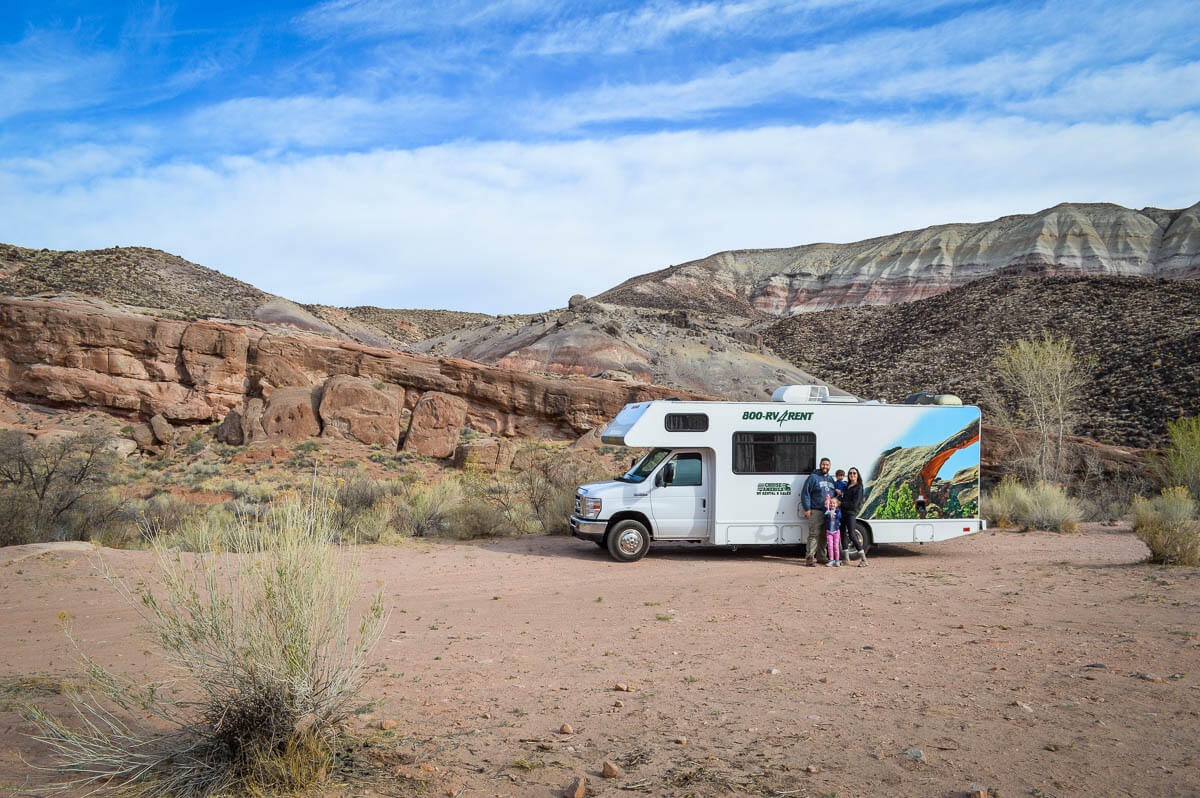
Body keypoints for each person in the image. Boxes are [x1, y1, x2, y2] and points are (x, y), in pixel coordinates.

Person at [801, 457, 836, 566]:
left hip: (828, 512)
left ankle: (821, 557)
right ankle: (810, 557)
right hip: (816, 511)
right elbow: (805, 493)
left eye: (827, 465)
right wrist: (807, 508)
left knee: (824, 535)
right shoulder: (813, 477)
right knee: (814, 534)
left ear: (830, 466)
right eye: (823, 464)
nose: (825, 466)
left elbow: (834, 495)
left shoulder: (831, 479)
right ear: (820, 465)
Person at [840, 467, 868, 567]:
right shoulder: (847, 486)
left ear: (857, 475)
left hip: (851, 513)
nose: (852, 474)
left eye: (854, 473)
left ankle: (864, 559)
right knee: (842, 534)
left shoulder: (859, 487)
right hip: (843, 512)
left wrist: (841, 503)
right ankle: (846, 559)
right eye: (850, 473)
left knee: (852, 535)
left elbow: (854, 504)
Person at [825, 495, 842, 567]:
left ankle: (837, 560)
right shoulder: (828, 511)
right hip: (829, 532)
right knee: (830, 546)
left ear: (837, 505)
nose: (832, 504)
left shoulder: (838, 511)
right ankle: (831, 560)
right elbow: (825, 513)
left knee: (836, 546)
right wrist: (828, 510)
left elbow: (839, 516)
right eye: (831, 503)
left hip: (836, 532)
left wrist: (834, 514)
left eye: (834, 503)